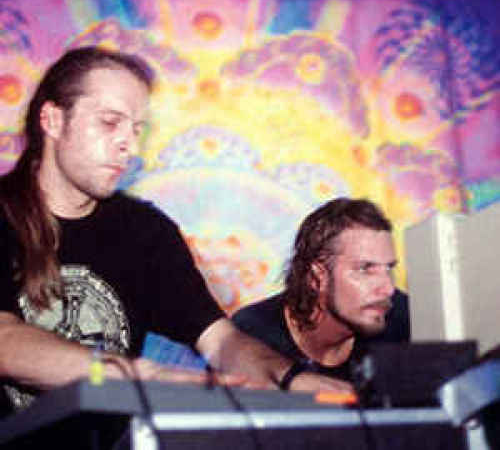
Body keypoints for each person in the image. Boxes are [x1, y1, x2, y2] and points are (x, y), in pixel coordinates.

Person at [0, 47, 350, 425]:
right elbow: (5, 342)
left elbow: (220, 341)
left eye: (136, 130)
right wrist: (140, 375)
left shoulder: (145, 231)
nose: (130, 146)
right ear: (52, 120)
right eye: (110, 122)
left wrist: (290, 378)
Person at [232, 198, 410, 391]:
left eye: (389, 269)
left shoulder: (403, 319)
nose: (388, 288)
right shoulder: (251, 335)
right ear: (318, 276)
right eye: (365, 269)